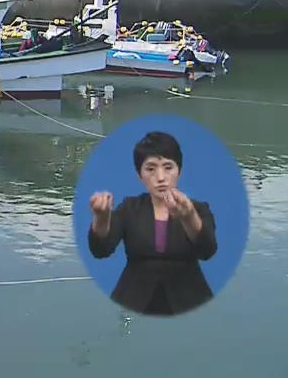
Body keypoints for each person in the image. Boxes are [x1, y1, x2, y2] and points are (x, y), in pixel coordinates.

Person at [87, 131, 217, 316]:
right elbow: (101, 250)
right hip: (133, 301)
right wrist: (101, 216)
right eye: (150, 169)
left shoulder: (199, 209)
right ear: (140, 175)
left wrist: (188, 216)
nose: (161, 177)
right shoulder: (129, 208)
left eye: (168, 167)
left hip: (189, 301)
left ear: (179, 170)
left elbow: (207, 251)